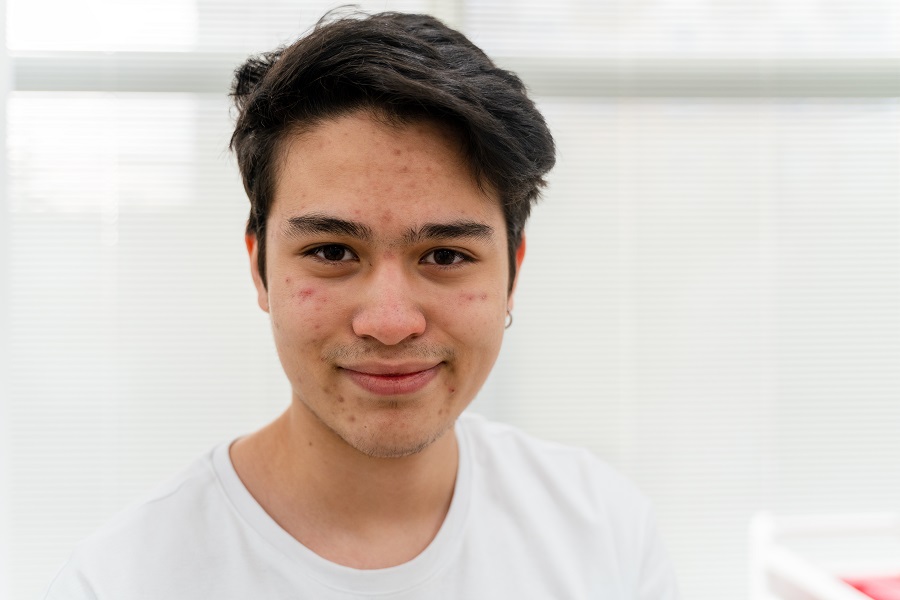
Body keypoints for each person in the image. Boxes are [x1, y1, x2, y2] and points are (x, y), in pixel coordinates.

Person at [44, 11, 679, 599]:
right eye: (332, 251)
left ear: (512, 271)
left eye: (446, 256)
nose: (390, 322)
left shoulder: (603, 535)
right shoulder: (120, 581)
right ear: (259, 266)